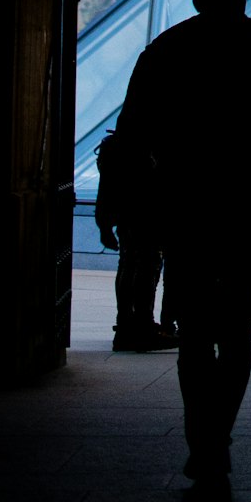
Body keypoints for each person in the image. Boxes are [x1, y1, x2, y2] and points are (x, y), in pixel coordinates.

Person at [117, 0, 251, 502]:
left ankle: (202, 438)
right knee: (238, 331)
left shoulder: (164, 52)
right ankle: (217, 434)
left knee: (195, 333)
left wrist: (126, 208)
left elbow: (133, 135)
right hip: (248, 212)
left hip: (186, 211)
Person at [93, 126, 177, 352]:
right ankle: (141, 326)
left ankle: (128, 325)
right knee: (147, 263)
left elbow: (106, 188)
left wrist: (104, 223)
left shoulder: (117, 144)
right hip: (148, 211)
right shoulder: (153, 145)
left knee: (130, 262)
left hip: (129, 213)